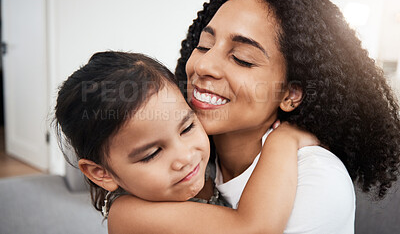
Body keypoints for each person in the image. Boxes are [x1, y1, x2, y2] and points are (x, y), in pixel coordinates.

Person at [174, 0, 400, 233]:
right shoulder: (182, 155)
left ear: (291, 94)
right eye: (204, 46)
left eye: (242, 59)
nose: (204, 65)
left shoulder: (316, 179)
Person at [54, 51, 318, 233]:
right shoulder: (128, 214)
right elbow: (253, 228)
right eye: (151, 154)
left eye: (188, 127)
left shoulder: (208, 161)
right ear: (101, 173)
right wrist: (282, 139)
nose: (185, 157)